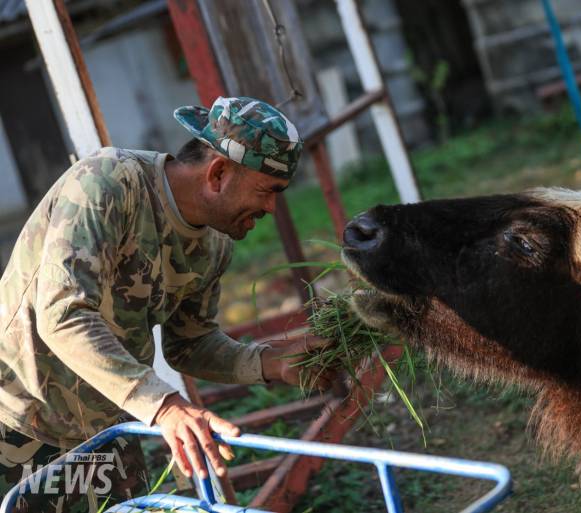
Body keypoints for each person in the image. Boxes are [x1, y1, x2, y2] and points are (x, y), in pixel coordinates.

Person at [0, 96, 334, 512]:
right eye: (267, 191)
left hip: (109, 427)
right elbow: (62, 313)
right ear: (217, 173)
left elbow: (190, 344)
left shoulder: (214, 245)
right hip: (16, 417)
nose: (270, 207)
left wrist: (272, 363)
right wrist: (165, 406)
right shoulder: (106, 184)